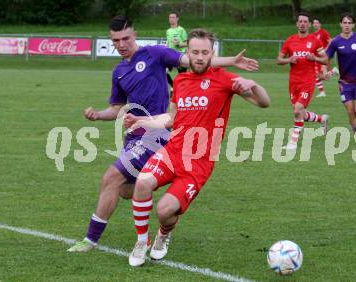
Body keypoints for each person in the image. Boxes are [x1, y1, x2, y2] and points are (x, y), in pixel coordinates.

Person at [67, 16, 260, 253]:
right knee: (126, 190)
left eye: (126, 38)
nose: (121, 44)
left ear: (134, 35)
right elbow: (117, 109)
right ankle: (157, 210)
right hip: (135, 136)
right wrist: (98, 114)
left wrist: (231, 61)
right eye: (116, 40)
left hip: (157, 134)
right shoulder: (119, 72)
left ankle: (91, 239)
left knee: (111, 178)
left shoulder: (155, 53)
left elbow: (193, 59)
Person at [125, 28, 270, 267]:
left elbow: (264, 103)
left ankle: (163, 233)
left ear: (212, 53)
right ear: (188, 53)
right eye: (195, 52)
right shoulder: (181, 81)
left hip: (198, 163)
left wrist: (252, 84)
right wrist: (141, 121)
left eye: (204, 52)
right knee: (142, 183)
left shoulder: (225, 79)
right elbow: (171, 119)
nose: (200, 57)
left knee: (165, 211)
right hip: (172, 152)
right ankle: (142, 241)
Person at [277, 12, 329, 150]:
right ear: (296, 24)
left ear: (309, 24)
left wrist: (315, 59)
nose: (302, 24)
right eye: (300, 21)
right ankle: (321, 119)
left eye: (305, 21)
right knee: (299, 112)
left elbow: (325, 59)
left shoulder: (314, 41)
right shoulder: (290, 40)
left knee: (298, 109)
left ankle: (293, 142)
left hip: (308, 80)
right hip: (293, 82)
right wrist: (289, 59)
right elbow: (279, 60)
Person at [325, 12, 356, 148]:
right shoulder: (335, 41)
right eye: (344, 22)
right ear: (340, 24)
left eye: (349, 23)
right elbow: (326, 58)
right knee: (350, 112)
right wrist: (327, 71)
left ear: (353, 25)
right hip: (344, 84)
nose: (347, 25)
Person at [166, 12, 188, 91]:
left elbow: (186, 43)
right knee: (163, 71)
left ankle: (184, 92)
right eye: (170, 17)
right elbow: (168, 42)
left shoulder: (181, 30)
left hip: (180, 55)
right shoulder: (168, 31)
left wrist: (179, 44)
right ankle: (173, 87)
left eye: (173, 17)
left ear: (177, 19)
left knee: (182, 76)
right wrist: (166, 47)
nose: (171, 19)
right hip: (170, 55)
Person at [312, 17, 331, 97]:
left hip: (323, 57)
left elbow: (330, 41)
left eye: (317, 23)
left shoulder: (323, 32)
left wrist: (325, 50)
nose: (315, 24)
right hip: (316, 58)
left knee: (323, 76)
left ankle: (333, 72)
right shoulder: (312, 35)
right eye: (314, 23)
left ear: (320, 24)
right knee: (317, 75)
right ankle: (322, 92)